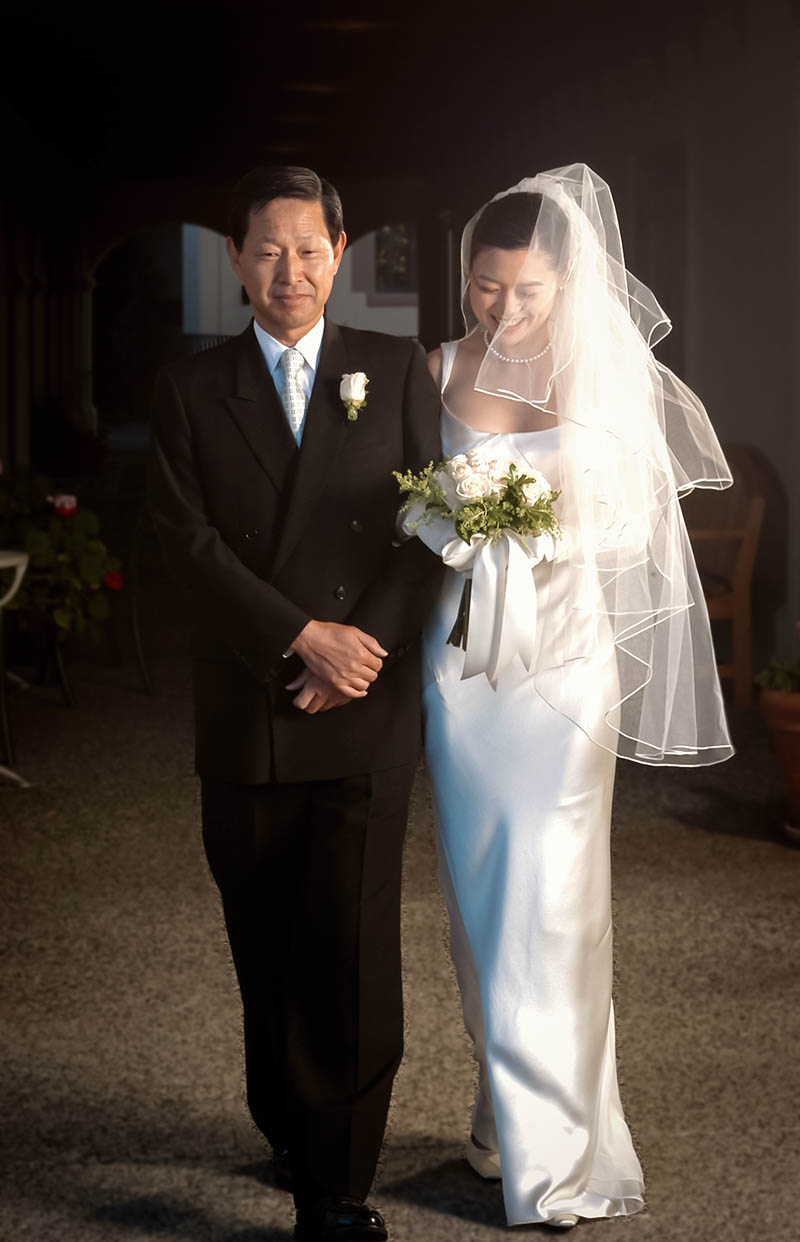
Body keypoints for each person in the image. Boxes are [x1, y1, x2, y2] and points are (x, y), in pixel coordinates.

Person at [414, 164, 733, 1229]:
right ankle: (502, 1118)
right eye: (484, 286)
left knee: (551, 902)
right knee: (474, 909)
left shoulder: (601, 377)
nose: (501, 310)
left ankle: (556, 1165)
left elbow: (637, 528)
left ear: (567, 285)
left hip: (560, 670)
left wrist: (537, 523)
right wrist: (450, 520)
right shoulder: (435, 367)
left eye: (525, 292)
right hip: (460, 669)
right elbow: (399, 511)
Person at [147, 165, 442, 1242]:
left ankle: (341, 1188)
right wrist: (296, 637)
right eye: (267, 250)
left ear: (340, 250)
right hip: (250, 705)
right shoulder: (190, 387)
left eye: (310, 249)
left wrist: (354, 650)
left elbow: (430, 521)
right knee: (262, 937)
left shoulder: (389, 365)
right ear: (234, 259)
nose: (291, 271)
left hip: (363, 701)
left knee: (353, 947)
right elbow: (184, 545)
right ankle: (285, 1120)